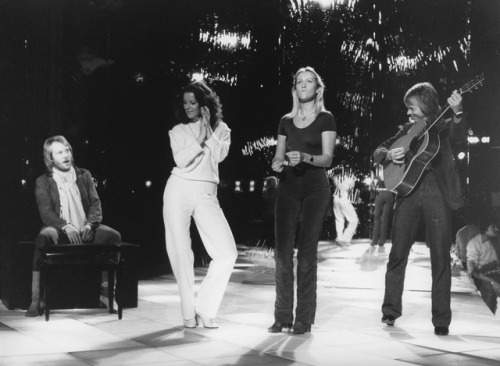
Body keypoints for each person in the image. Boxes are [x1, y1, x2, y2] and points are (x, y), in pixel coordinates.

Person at [374, 82, 467, 336]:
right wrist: (388, 156)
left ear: (425, 105)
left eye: (411, 107)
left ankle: (441, 320)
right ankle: (390, 310)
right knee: (397, 254)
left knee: (440, 257)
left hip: (437, 191)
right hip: (408, 193)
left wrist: (457, 113)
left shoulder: (444, 125)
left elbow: (460, 138)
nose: (408, 112)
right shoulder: (406, 130)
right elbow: (379, 150)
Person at [163, 81, 237, 329]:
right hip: (178, 189)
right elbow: (181, 160)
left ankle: (205, 309)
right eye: (184, 103)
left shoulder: (222, 128)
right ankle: (187, 314)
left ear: (205, 104)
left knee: (227, 253)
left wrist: (209, 131)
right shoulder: (177, 130)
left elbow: (220, 155)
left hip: (207, 193)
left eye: (193, 102)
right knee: (181, 253)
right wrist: (201, 137)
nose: (188, 107)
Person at [269, 66, 336, 334]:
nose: (304, 85)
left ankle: (303, 319)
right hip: (287, 186)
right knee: (283, 254)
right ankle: (282, 315)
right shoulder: (285, 120)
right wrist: (277, 162)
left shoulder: (326, 118)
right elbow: (279, 155)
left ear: (317, 88)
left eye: (309, 82)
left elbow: (328, 159)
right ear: (295, 88)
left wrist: (307, 157)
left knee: (306, 255)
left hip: (315, 187)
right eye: (299, 82)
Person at [26, 135, 121, 317]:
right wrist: (65, 226)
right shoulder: (43, 181)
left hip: (85, 229)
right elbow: (46, 213)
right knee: (44, 237)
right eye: (59, 152)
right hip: (59, 229)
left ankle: (107, 295)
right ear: (51, 157)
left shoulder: (84, 175)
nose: (65, 155)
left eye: (67, 150)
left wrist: (90, 225)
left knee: (113, 236)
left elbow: (95, 204)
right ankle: (36, 300)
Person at [467, 220, 500, 314]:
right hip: (481, 277)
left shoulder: (497, 240)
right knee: (489, 293)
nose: (496, 229)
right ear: (485, 228)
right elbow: (473, 272)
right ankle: (487, 319)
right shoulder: (474, 244)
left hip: (496, 274)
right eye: (493, 227)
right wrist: (493, 282)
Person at [332, 172, 359, 246]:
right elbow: (352, 186)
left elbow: (336, 185)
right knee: (354, 220)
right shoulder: (350, 176)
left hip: (336, 198)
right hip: (344, 198)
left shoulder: (336, 176)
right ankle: (346, 239)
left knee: (339, 219)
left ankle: (340, 239)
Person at [370, 165, 394, 247]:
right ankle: (382, 241)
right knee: (384, 219)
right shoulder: (391, 170)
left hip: (380, 193)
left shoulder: (377, 172)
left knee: (377, 218)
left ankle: (374, 241)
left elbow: (373, 185)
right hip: (388, 193)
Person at [262, 176, 279, 247]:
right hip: (274, 213)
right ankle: (272, 243)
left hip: (270, 213)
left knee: (270, 229)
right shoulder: (277, 192)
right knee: (273, 229)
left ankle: (270, 243)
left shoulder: (267, 192)